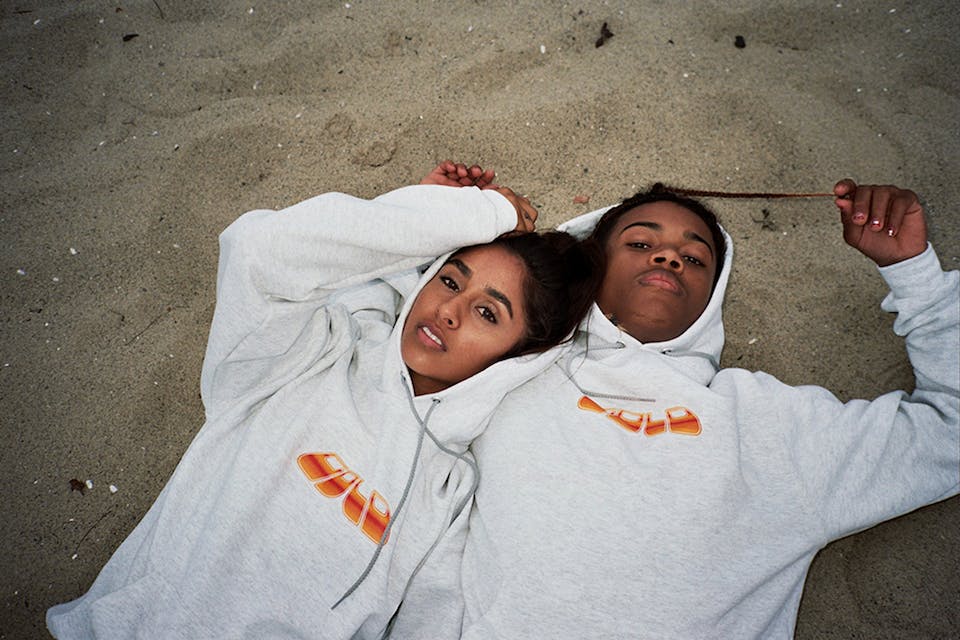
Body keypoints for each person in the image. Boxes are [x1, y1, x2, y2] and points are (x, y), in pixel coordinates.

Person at [45, 163, 598, 639]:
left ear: (517, 356)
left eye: (487, 313)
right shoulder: (310, 354)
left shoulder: (452, 485)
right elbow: (258, 251)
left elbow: (427, 623)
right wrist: (437, 215)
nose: (449, 311)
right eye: (450, 281)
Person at [448, 178, 959, 638]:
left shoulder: (770, 425)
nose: (669, 257)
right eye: (641, 243)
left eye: (694, 259)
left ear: (712, 298)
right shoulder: (512, 362)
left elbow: (949, 430)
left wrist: (915, 274)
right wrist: (441, 217)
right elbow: (416, 330)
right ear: (591, 264)